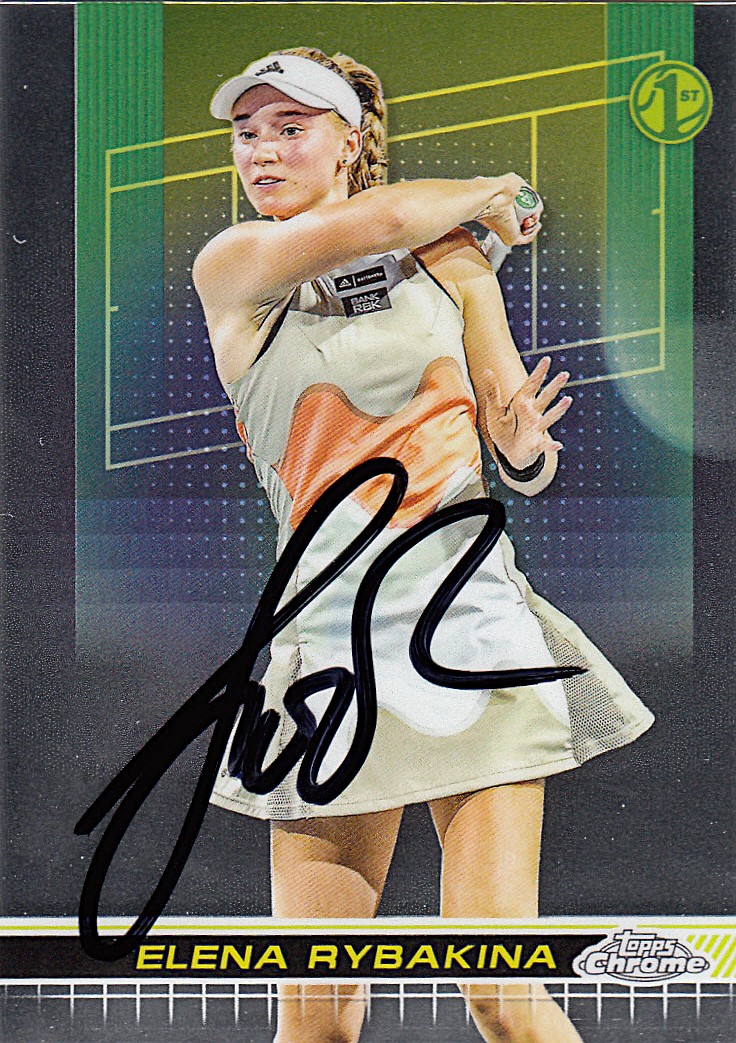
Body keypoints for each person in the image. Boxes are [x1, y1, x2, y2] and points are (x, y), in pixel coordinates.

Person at [194, 47, 654, 1043]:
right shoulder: (236, 266)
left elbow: (514, 441)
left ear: (350, 141)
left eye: (290, 128)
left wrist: (523, 449)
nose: (261, 150)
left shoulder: (451, 260)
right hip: (328, 664)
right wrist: (493, 191)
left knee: (501, 993)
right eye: (247, 132)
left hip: (473, 640)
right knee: (316, 1021)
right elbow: (379, 221)